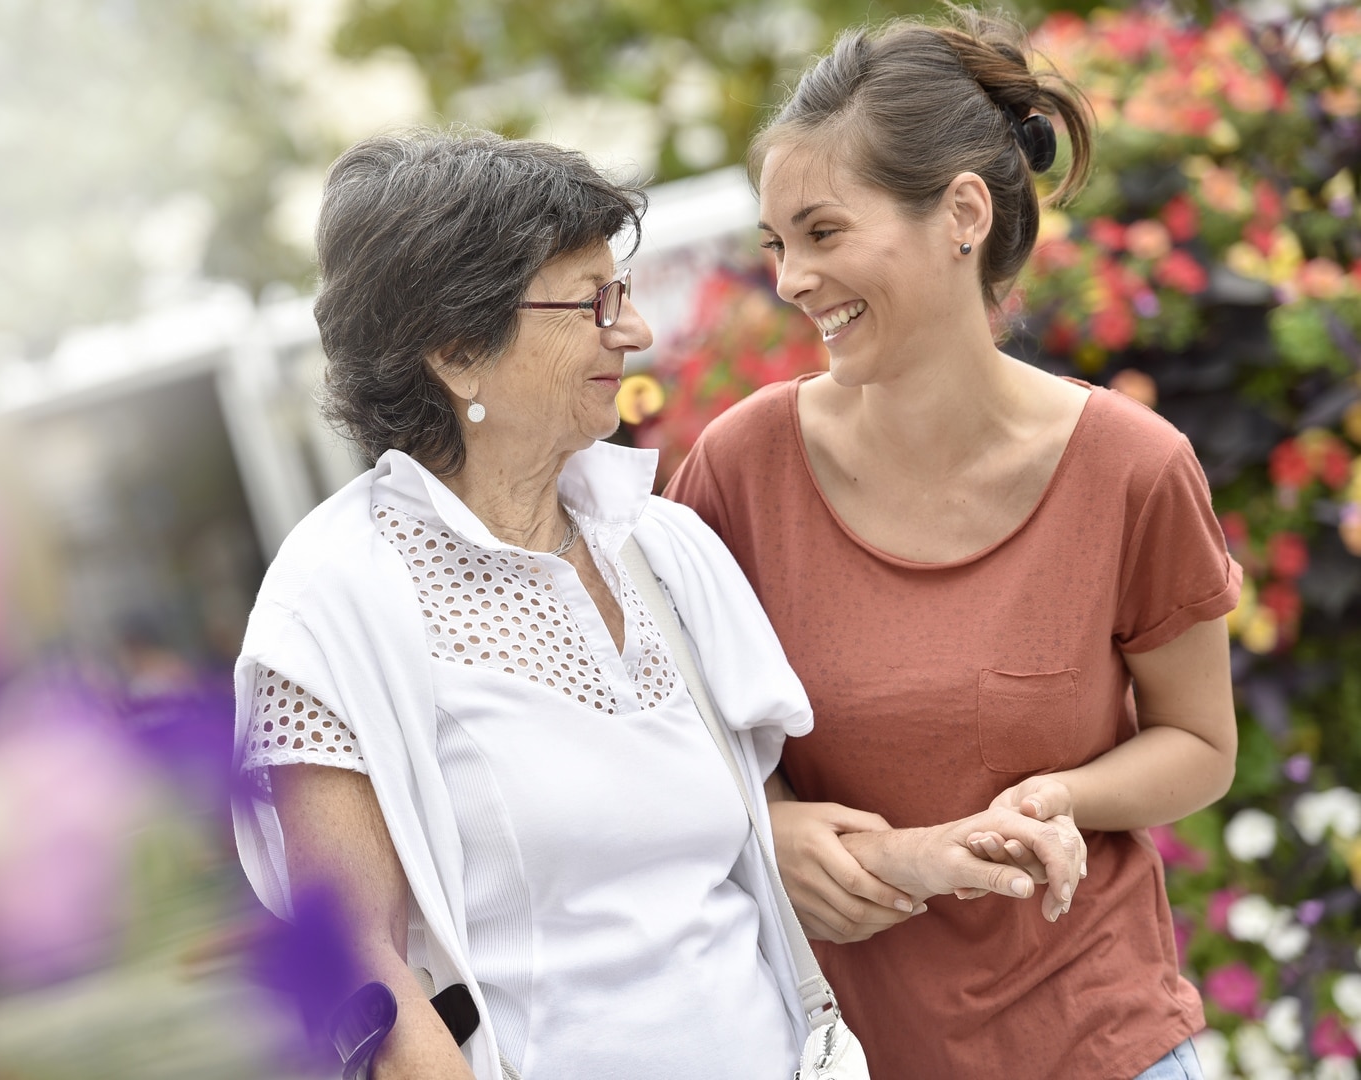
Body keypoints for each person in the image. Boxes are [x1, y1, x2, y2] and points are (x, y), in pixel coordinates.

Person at [231, 128, 1085, 1080]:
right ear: (458, 349)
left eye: (622, 293)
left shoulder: (659, 548)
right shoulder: (332, 606)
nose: (632, 332)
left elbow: (760, 847)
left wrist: (929, 858)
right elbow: (357, 967)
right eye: (591, 303)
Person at [664, 9, 1241, 1080]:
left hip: (1105, 1042)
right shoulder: (739, 473)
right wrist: (772, 827)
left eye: (824, 233)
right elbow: (673, 734)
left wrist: (1063, 796)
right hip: (851, 1054)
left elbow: (1201, 747)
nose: (791, 279)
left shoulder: (1134, 469)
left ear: (963, 212)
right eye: (777, 246)